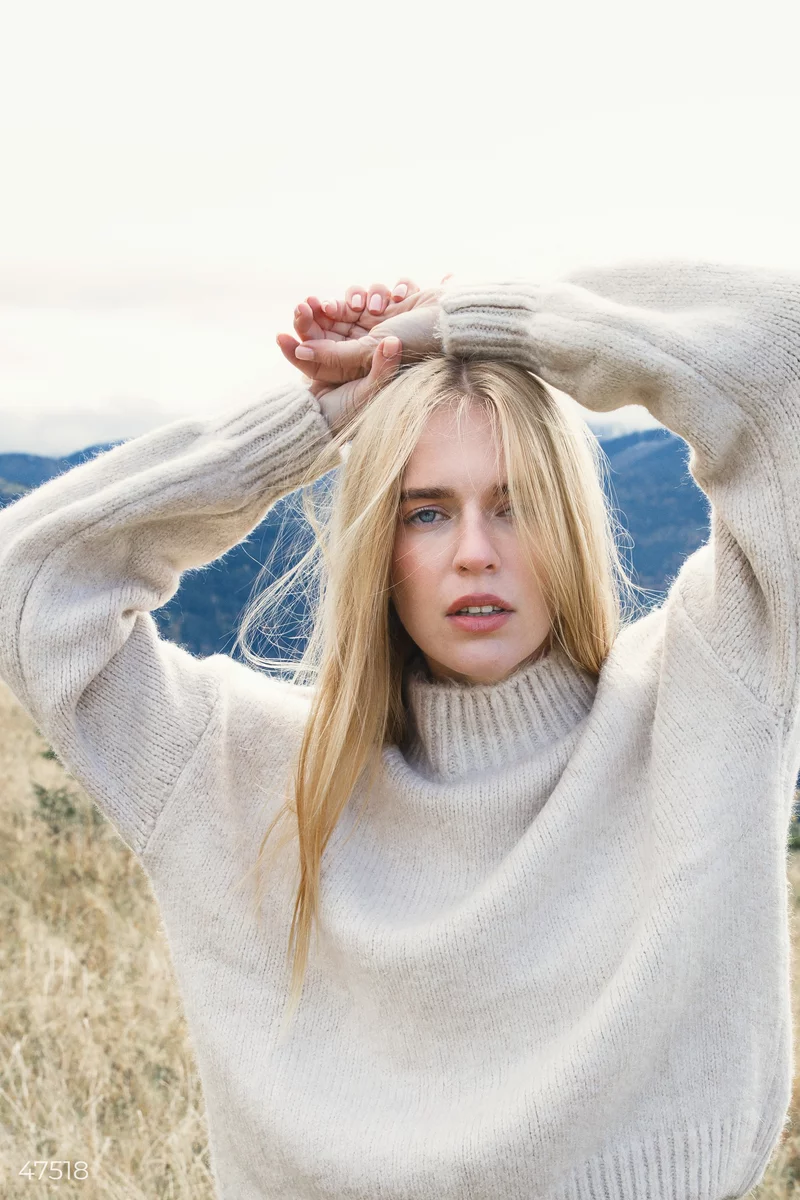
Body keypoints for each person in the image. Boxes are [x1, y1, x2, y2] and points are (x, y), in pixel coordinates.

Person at [0, 260, 798, 1200]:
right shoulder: (246, 773)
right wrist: (322, 421)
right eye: (426, 512)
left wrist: (468, 323)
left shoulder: (700, 699)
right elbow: (35, 589)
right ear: (378, 549)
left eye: (517, 504)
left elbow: (777, 357)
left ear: (572, 527)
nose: (474, 552)